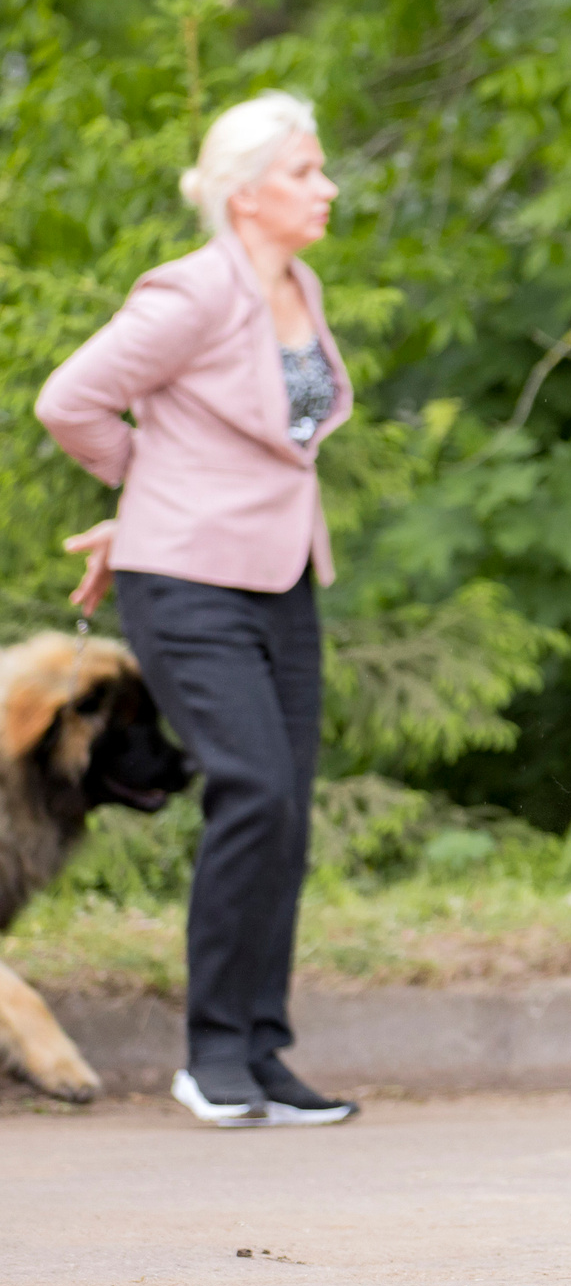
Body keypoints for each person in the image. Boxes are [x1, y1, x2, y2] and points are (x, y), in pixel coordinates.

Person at [36, 90, 360, 1129]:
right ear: (247, 192)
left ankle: (262, 1052)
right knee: (253, 788)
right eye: (307, 171)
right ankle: (210, 1052)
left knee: (287, 809)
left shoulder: (297, 284)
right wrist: (152, 488)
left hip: (281, 577)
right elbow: (69, 399)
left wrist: (155, 484)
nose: (327, 187)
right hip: (185, 579)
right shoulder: (189, 294)